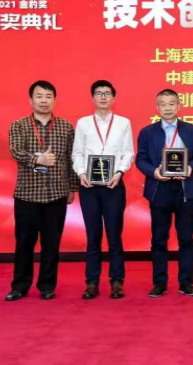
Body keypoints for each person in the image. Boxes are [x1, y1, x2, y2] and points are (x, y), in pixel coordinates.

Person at [5, 80, 79, 301]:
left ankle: (47, 286)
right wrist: (38, 159)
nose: (44, 101)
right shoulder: (19, 125)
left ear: (54, 100)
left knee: (52, 243)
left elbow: (71, 159)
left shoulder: (65, 127)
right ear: (31, 100)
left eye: (48, 96)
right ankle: (20, 286)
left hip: (56, 194)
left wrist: (72, 188)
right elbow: (16, 151)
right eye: (39, 96)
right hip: (27, 194)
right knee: (24, 242)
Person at [135, 89, 193, 298]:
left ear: (178, 106)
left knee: (186, 238)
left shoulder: (192, 131)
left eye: (171, 103)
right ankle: (159, 283)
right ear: (157, 107)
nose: (167, 108)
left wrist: (190, 167)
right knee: (159, 238)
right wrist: (154, 172)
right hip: (160, 188)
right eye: (163, 104)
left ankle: (186, 282)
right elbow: (141, 159)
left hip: (184, 189)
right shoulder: (147, 132)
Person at [72, 80, 134, 300]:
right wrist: (81, 173)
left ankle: (117, 281)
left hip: (113, 186)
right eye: (99, 93)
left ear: (113, 98)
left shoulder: (123, 123)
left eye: (107, 93)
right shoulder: (83, 123)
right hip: (89, 187)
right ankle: (92, 282)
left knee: (114, 235)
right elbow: (77, 153)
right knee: (93, 236)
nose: (103, 97)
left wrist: (119, 172)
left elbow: (128, 152)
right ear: (92, 98)